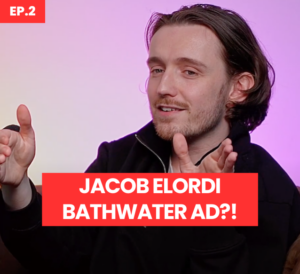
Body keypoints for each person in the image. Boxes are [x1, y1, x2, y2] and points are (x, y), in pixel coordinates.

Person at [0, 3, 299, 274]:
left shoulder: (270, 190)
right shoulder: (116, 158)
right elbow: (64, 258)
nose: (163, 86)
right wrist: (18, 189)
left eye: (190, 71)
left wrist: (211, 218)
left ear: (238, 88)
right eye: (157, 69)